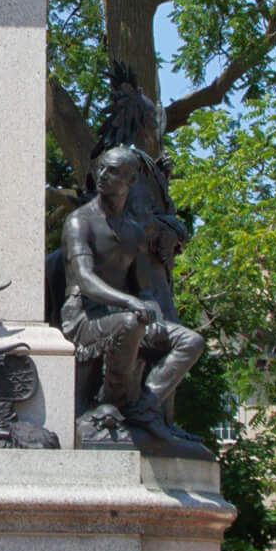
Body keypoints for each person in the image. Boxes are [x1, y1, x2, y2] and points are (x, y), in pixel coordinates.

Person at [59, 146, 208, 454]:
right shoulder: (79, 222)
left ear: (131, 180)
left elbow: (143, 291)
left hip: (126, 318)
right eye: (101, 168)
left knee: (191, 341)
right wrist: (133, 306)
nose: (102, 176)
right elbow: (84, 279)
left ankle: (144, 408)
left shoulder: (134, 232)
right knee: (130, 322)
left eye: (112, 171)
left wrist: (151, 312)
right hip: (84, 319)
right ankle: (109, 405)